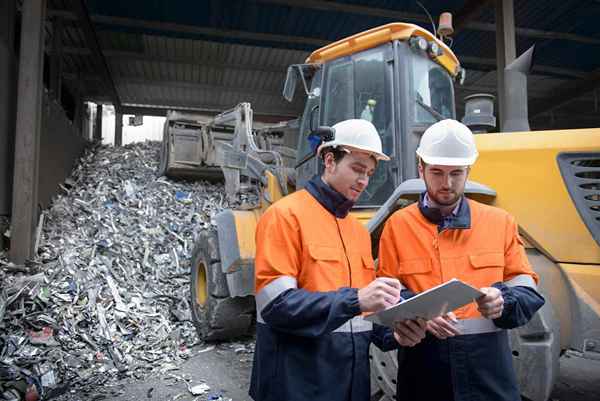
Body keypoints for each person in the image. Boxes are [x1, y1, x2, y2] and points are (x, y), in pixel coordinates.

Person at [249, 119, 426, 401]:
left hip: (349, 385)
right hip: (296, 385)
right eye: (357, 169)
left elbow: (364, 318)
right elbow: (276, 305)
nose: (364, 181)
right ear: (329, 160)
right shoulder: (285, 216)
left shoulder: (357, 232)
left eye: (369, 173)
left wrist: (396, 334)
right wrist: (356, 300)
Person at [378, 119, 546, 401]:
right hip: (423, 369)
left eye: (456, 173)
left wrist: (503, 300)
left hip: (488, 369)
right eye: (437, 172)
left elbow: (527, 291)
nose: (447, 183)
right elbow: (384, 299)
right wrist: (421, 317)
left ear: (468, 170)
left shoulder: (500, 222)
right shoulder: (398, 226)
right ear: (421, 168)